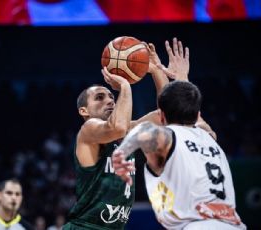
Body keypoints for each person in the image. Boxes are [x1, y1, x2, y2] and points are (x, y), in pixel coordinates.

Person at [63, 38, 193, 229]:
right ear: (84, 111)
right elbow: (118, 127)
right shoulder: (89, 130)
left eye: (110, 96)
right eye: (100, 97)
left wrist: (155, 70)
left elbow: (167, 114)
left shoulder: (127, 131)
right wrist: (125, 84)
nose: (109, 100)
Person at [112, 80, 246, 229]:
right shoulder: (210, 136)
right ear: (198, 115)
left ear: (161, 117)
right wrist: (180, 77)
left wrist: (121, 153)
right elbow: (196, 116)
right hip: (234, 225)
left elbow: (144, 130)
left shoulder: (169, 137)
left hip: (196, 225)